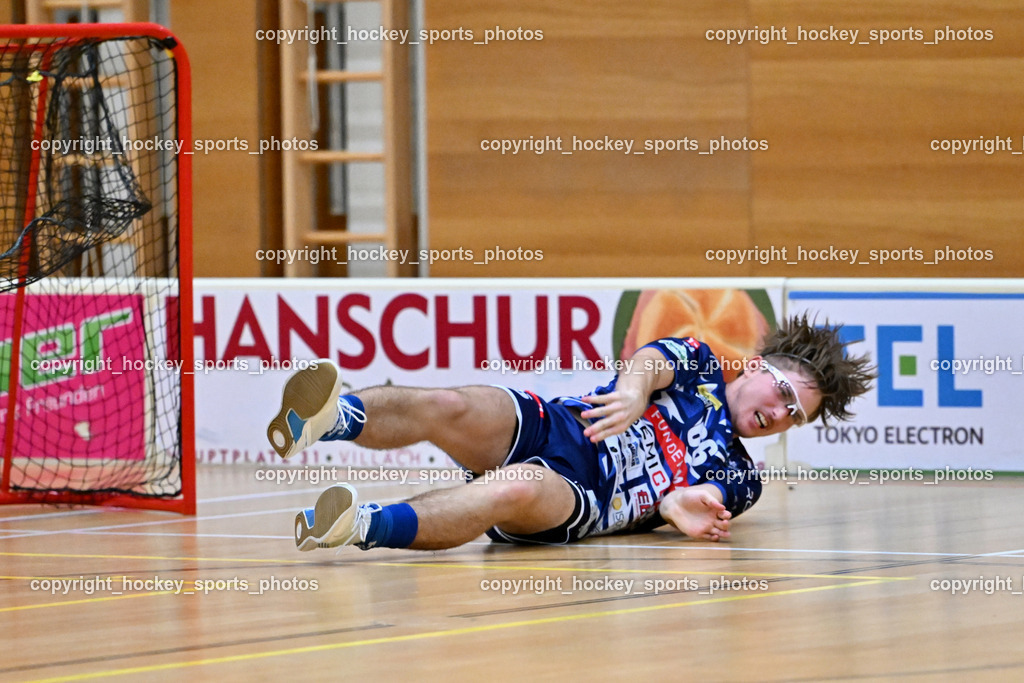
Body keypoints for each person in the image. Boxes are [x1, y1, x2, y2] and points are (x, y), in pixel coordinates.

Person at [266, 313, 874, 552]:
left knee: (516, 487)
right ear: (761, 368)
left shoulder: (743, 477)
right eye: (786, 396)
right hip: (561, 423)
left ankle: (353, 526)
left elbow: (680, 505)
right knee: (452, 403)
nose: (781, 415)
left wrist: (676, 505)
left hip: (586, 499)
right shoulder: (701, 364)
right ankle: (325, 419)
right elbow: (650, 362)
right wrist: (636, 392)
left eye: (797, 417)